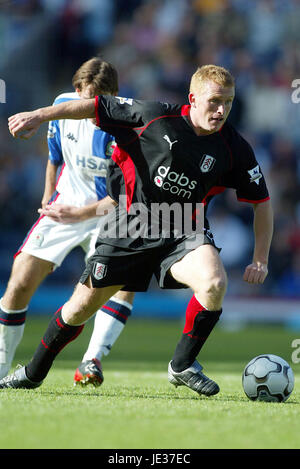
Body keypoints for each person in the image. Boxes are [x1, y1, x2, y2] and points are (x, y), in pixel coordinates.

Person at [2, 64, 273, 397]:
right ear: (192, 99)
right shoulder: (153, 115)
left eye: (228, 102)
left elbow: (262, 201)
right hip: (131, 226)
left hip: (182, 230)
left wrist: (260, 259)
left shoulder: (234, 146)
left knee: (214, 282)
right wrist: (39, 115)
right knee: (80, 308)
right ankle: (33, 372)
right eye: (215, 101)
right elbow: (94, 106)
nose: (221, 110)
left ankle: (182, 365)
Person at [0, 57, 135, 386]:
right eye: (92, 98)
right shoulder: (62, 106)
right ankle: (2, 364)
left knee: (121, 285)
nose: (99, 107)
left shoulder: (125, 124)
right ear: (78, 92)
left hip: (110, 211)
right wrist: (48, 196)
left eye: (106, 99)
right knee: (19, 282)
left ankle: (92, 360)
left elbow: (122, 195)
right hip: (65, 206)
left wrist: (81, 213)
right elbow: (54, 156)